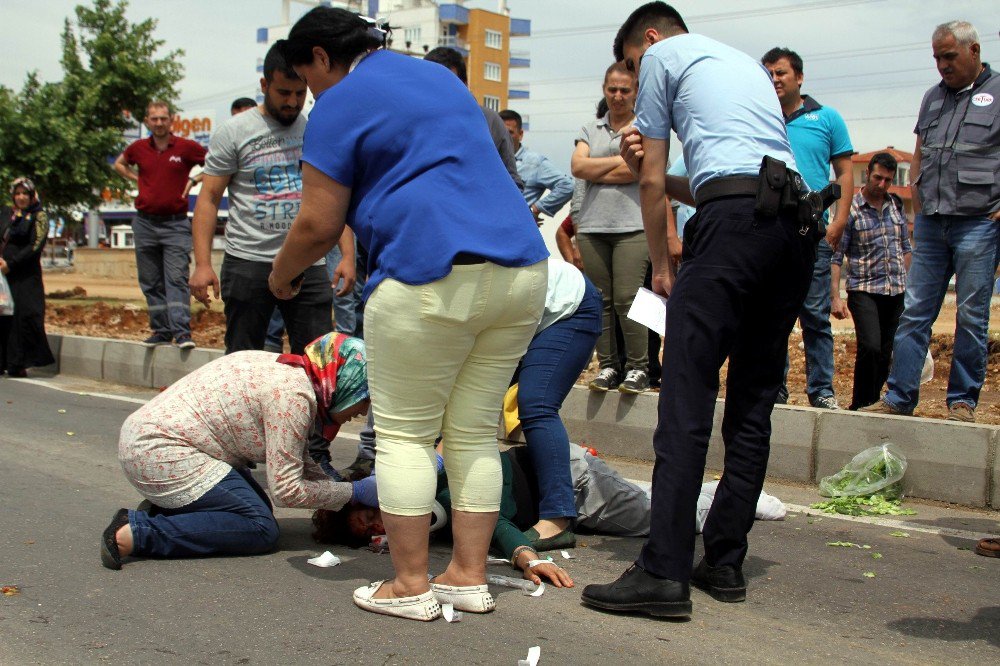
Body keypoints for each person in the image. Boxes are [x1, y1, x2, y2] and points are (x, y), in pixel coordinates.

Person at [269, 8, 548, 622]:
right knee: (474, 431)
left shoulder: (337, 104)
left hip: (428, 274)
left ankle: (409, 584)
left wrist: (281, 274)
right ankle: (468, 577)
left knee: (404, 437)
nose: (309, 88)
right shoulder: (440, 79)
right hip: (523, 269)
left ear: (320, 57)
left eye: (305, 73)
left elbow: (317, 222)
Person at [581, 3, 814, 619]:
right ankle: (727, 559)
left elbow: (655, 184)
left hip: (731, 231)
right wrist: (641, 167)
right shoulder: (738, 62)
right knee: (753, 400)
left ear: (649, 40)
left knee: (686, 397)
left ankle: (663, 571)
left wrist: (661, 264)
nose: (634, 78)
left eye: (632, 63)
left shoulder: (661, 54)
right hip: (789, 230)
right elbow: (715, 180)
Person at [100, 333, 370, 570]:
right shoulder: (293, 397)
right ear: (342, 383)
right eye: (363, 398)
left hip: (155, 442)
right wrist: (355, 492)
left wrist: (343, 492)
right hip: (160, 451)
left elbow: (295, 456)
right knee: (259, 527)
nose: (362, 411)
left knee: (254, 509)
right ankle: (135, 532)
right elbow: (287, 490)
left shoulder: (290, 372)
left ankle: (170, 511)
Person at [862, 21, 1000, 423]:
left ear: (973, 51)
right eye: (937, 58)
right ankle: (900, 397)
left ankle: (961, 401)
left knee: (971, 314)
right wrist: (918, 205)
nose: (942, 65)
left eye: (949, 56)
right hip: (932, 223)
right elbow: (920, 154)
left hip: (979, 223)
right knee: (916, 311)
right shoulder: (932, 99)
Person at [189, 45, 354, 355]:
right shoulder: (234, 132)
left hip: (308, 262)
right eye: (283, 93)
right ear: (264, 86)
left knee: (319, 361)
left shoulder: (317, 129)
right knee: (243, 360)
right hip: (248, 262)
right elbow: (209, 198)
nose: (292, 102)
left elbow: (331, 198)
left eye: (299, 92)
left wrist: (347, 255)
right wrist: (201, 264)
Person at [762, 47, 855, 410]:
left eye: (781, 72)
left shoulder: (827, 118)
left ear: (799, 77)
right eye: (768, 73)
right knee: (774, 314)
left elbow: (845, 172)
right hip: (771, 232)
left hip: (814, 231)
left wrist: (841, 220)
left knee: (814, 315)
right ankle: (776, 388)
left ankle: (822, 391)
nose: (775, 79)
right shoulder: (761, 119)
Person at [573, 63, 650, 394]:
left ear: (635, 92)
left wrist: (596, 170)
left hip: (634, 225)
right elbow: (577, 166)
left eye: (625, 90)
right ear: (604, 90)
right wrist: (621, 164)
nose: (618, 96)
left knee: (629, 298)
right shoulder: (590, 128)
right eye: (612, 89)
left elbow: (641, 171)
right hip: (592, 226)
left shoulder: (644, 126)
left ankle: (639, 368)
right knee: (599, 300)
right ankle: (607, 366)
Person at [114, 101, 207, 348]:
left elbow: (217, 162)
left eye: (163, 118)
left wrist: (194, 179)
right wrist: (136, 178)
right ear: (147, 121)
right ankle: (161, 330)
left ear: (171, 120)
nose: (159, 123)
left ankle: (182, 332)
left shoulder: (186, 148)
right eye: (154, 119)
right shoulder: (138, 148)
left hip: (175, 225)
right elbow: (119, 163)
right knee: (151, 281)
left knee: (176, 278)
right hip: (145, 223)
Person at [831, 152, 911, 410]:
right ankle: (860, 403)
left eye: (888, 180)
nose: (883, 184)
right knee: (871, 346)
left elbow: (906, 248)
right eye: (878, 177)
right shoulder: (851, 209)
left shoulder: (896, 205)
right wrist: (835, 296)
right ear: (868, 174)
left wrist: (911, 286)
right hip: (864, 289)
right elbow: (836, 256)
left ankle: (875, 403)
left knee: (888, 351)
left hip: (896, 291)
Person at [423, 46, 524, 192]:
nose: (440, 90)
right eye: (432, 83)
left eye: (448, 83)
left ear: (464, 83)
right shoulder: (414, 122)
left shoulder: (490, 122)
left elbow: (512, 183)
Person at [0, 178, 55, 377]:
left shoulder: (39, 216)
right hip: (4, 276)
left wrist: (11, 264)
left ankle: (18, 363)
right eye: (18, 193)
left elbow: (35, 246)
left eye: (25, 193)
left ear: (32, 195)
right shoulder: (8, 213)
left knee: (25, 317)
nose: (21, 197)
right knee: (4, 317)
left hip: (26, 276)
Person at [498, 109, 574, 222]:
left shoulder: (534, 163)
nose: (504, 137)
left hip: (516, 230)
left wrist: (536, 209)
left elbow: (568, 185)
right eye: (500, 132)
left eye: (510, 132)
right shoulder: (486, 161)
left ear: (520, 134)